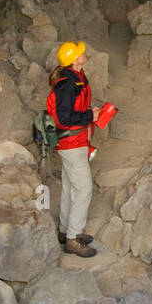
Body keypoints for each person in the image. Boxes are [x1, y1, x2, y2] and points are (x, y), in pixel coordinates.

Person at [47, 40, 102, 258]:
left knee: (71, 187)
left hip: (77, 141)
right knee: (84, 189)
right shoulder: (66, 85)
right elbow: (63, 118)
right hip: (71, 143)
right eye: (80, 53)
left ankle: (64, 230)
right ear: (73, 60)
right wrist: (90, 116)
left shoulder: (76, 77)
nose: (84, 53)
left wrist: (91, 113)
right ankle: (73, 238)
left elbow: (72, 110)